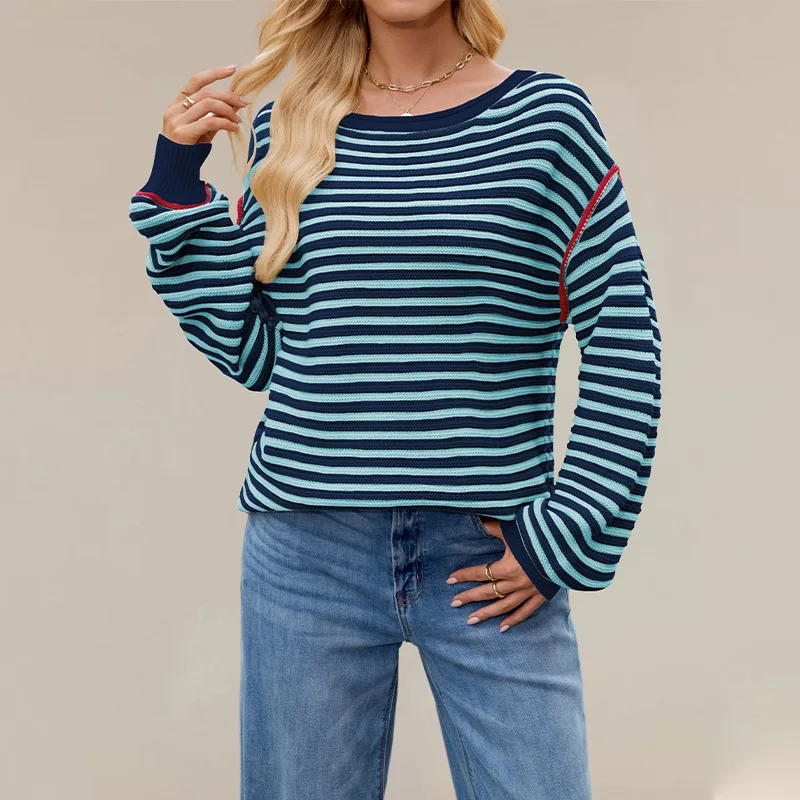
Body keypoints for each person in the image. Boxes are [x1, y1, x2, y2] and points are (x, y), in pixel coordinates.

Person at [128, 1, 661, 797]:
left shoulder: (549, 121)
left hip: (490, 557)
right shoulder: (290, 130)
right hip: (307, 554)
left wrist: (565, 532)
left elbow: (625, 341)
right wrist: (176, 182)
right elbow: (261, 351)